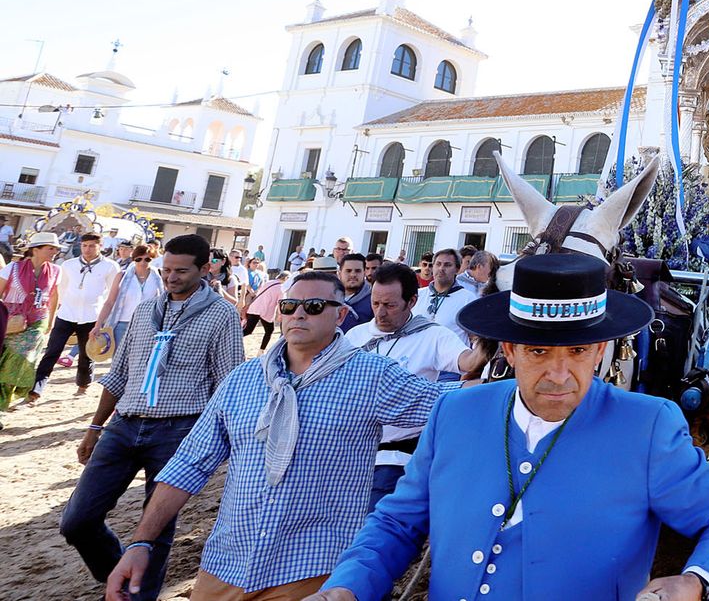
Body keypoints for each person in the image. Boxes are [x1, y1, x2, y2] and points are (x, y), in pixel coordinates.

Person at [308, 252, 709, 601]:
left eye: (578, 352)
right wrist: (349, 584)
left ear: (601, 350)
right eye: (539, 352)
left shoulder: (648, 427)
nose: (560, 375)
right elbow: (397, 523)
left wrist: (699, 581)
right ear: (510, 348)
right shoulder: (456, 413)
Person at [103, 266, 441, 601]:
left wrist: (491, 381)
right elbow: (189, 464)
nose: (298, 315)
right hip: (226, 566)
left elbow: (448, 405)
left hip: (314, 572)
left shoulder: (372, 376)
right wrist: (140, 542)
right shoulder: (243, 379)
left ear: (340, 316)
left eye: (313, 307)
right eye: (289, 306)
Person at [63, 234, 245, 601]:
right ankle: (119, 571)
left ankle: (134, 595)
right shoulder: (146, 310)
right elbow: (119, 374)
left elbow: (228, 384)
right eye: (167, 270)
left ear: (204, 268)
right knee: (77, 521)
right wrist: (94, 428)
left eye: (181, 271)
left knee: (156, 529)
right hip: (124, 423)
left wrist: (218, 443)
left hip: (179, 430)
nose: (171, 278)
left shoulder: (221, 314)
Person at [345, 262, 486, 509]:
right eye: (376, 304)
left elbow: (468, 361)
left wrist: (488, 337)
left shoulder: (432, 335)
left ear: (411, 302)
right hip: (349, 455)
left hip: (395, 460)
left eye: (390, 305)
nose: (380, 313)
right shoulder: (355, 337)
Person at [32, 231, 120, 400]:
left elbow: (111, 295)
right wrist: (64, 306)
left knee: (87, 354)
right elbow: (61, 289)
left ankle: (83, 384)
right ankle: (37, 388)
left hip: (92, 316)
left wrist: (103, 319)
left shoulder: (110, 266)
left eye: (92, 246)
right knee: (52, 350)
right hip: (66, 314)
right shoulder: (69, 265)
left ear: (100, 246)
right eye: (84, 245)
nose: (87, 250)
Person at [0, 233, 62, 412]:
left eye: (56, 249)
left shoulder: (56, 270)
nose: (55, 252)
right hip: (10, 319)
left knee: (20, 358)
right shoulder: (12, 268)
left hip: (38, 320)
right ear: (36, 249)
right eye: (50, 248)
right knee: (6, 362)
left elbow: (54, 295)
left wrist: (51, 320)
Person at [95, 244, 161, 349]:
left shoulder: (159, 277)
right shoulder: (122, 276)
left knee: (141, 360)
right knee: (118, 360)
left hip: (148, 325)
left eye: (147, 259)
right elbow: (109, 302)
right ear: (134, 259)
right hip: (123, 324)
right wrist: (98, 325)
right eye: (139, 259)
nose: (143, 262)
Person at [416, 247, 472, 342]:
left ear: (457, 269)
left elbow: (475, 339)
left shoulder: (468, 300)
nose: (441, 268)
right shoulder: (418, 295)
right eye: (438, 264)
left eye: (447, 265)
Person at [242, 268, 285, 351]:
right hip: (266, 311)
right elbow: (280, 302)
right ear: (285, 279)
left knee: (248, 330)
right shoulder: (281, 288)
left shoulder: (268, 282)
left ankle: (234, 339)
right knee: (269, 331)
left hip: (255, 307)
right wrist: (280, 314)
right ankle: (261, 350)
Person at [335, 253, 373, 332]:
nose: (353, 275)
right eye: (348, 271)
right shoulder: (330, 297)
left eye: (358, 271)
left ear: (364, 273)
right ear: (339, 273)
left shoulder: (374, 301)